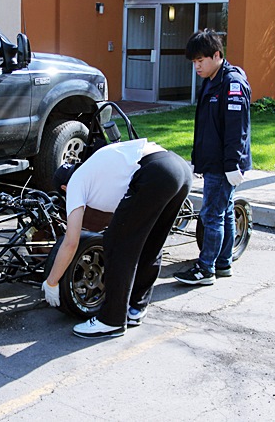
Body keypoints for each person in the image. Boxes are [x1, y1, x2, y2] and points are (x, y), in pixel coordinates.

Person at [42, 139, 192, 338]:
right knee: (151, 243)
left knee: (116, 244)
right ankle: (136, 309)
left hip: (156, 173)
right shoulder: (94, 167)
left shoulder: (76, 182)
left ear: (63, 187)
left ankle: (110, 320)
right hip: (179, 168)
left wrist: (51, 282)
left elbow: (71, 242)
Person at [173, 29, 251, 286]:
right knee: (224, 211)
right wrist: (198, 158)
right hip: (214, 161)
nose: (196, 66)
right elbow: (204, 124)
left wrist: (232, 164)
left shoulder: (232, 83)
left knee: (211, 215)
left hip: (224, 163)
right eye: (194, 62)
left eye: (200, 61)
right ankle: (222, 262)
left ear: (217, 55)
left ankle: (205, 269)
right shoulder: (211, 79)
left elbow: (236, 129)